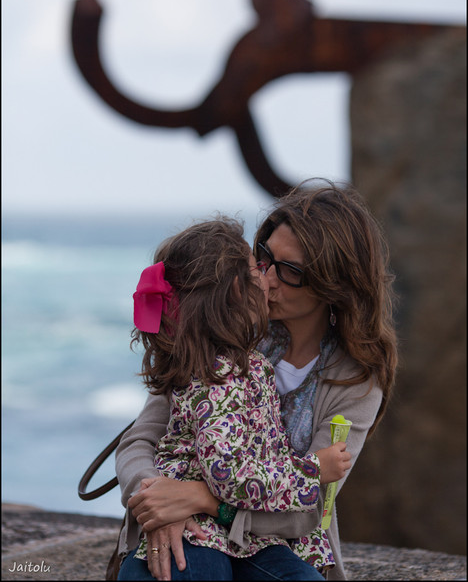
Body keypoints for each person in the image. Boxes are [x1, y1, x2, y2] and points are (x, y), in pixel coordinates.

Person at [115, 179, 398, 581]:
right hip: (188, 536)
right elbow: (139, 441)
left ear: (334, 286)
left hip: (276, 546)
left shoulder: (356, 381)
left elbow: (310, 509)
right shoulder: (225, 328)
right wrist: (158, 503)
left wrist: (201, 499)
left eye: (291, 271)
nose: (268, 277)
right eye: (264, 257)